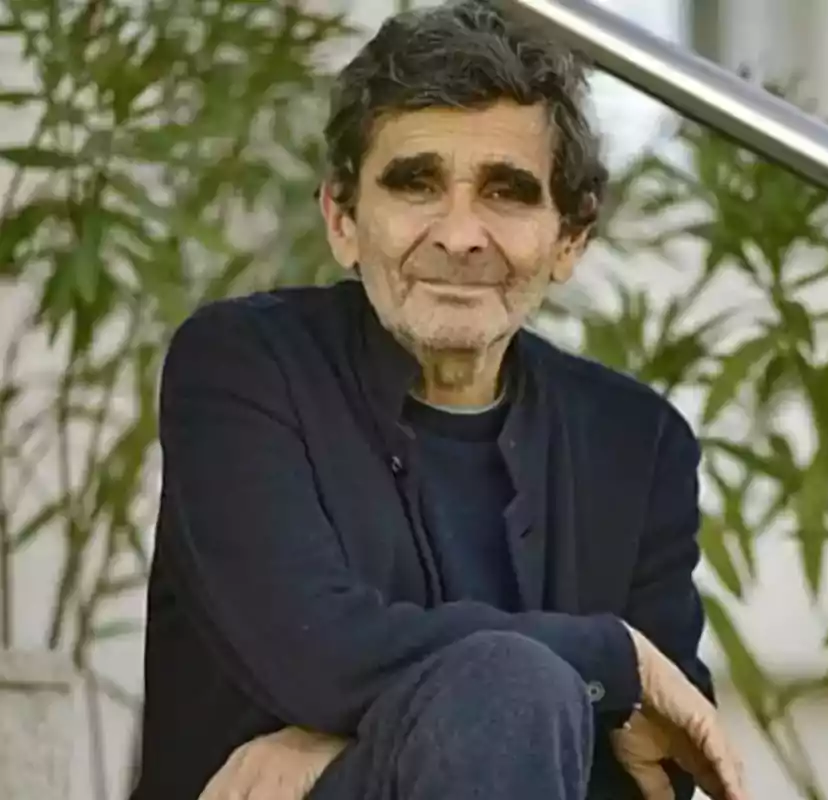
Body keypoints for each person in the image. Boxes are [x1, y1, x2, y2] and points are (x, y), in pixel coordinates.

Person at [130, 2, 746, 799]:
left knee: (507, 686)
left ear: (570, 238)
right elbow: (309, 650)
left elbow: (655, 767)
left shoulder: (637, 442)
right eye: (416, 184)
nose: (460, 235)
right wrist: (606, 660)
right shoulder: (243, 370)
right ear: (343, 219)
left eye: (507, 192)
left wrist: (352, 728)